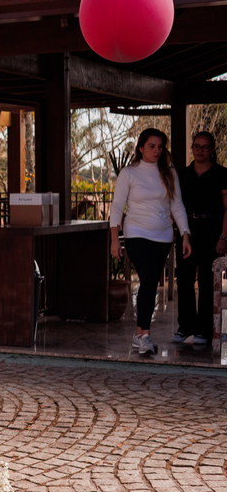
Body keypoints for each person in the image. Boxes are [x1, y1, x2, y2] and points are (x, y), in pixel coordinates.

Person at [109, 128, 192, 355]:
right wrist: (114, 240)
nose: (156, 150)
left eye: (160, 147)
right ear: (141, 147)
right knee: (149, 278)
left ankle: (139, 334)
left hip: (163, 236)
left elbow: (176, 205)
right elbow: (117, 207)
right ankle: (144, 334)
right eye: (152, 146)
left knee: (151, 282)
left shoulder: (169, 172)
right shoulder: (129, 173)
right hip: (136, 233)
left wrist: (185, 234)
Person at [174, 131, 227, 345]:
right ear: (192, 148)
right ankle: (185, 327)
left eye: (205, 147)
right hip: (187, 230)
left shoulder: (222, 173)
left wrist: (224, 236)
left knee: (206, 281)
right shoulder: (183, 174)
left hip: (213, 231)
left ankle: (204, 330)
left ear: (212, 149)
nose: (200, 150)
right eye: (197, 146)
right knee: (184, 279)